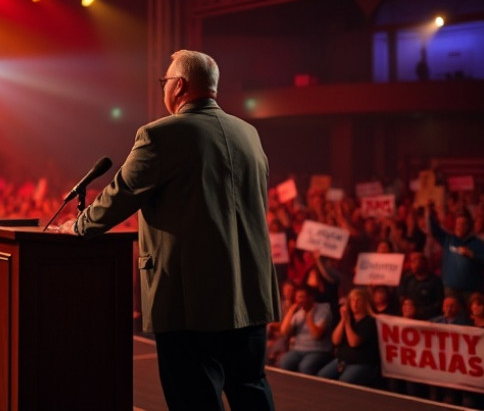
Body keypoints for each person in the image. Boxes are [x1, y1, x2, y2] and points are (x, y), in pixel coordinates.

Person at [59, 49, 279, 411]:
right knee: (250, 389)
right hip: (248, 290)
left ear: (179, 86)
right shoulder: (248, 134)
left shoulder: (160, 135)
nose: (165, 88)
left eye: (165, 81)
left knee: (195, 397)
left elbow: (120, 195)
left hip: (191, 295)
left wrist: (77, 226)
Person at [317, 288, 379, 386]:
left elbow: (353, 342)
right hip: (342, 360)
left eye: (358, 300)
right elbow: (335, 340)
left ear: (365, 303)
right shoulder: (348, 319)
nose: (355, 304)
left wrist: (347, 323)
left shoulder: (369, 321)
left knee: (344, 383)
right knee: (321, 376)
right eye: (352, 300)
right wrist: (343, 320)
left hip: (360, 362)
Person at [427, 204, 484, 303]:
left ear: (469, 226)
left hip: (470, 291)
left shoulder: (477, 243)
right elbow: (435, 230)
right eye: (458, 224)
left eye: (463, 224)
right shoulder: (449, 240)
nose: (459, 227)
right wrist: (430, 214)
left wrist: (472, 255)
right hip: (451, 290)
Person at [277, 286, 333, 375]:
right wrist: (291, 311)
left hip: (318, 350)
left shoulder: (323, 309)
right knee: (285, 362)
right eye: (297, 297)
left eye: (302, 297)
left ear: (311, 297)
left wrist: (308, 316)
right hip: (298, 350)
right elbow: (284, 332)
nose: (299, 300)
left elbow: (317, 335)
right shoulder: (298, 313)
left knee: (306, 366)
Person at [397, 252, 443, 320]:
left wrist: (419, 312)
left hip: (427, 320)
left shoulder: (435, 281)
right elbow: (401, 297)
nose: (412, 264)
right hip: (408, 318)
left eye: (415, 260)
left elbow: (439, 304)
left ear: (423, 262)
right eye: (411, 261)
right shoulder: (407, 279)